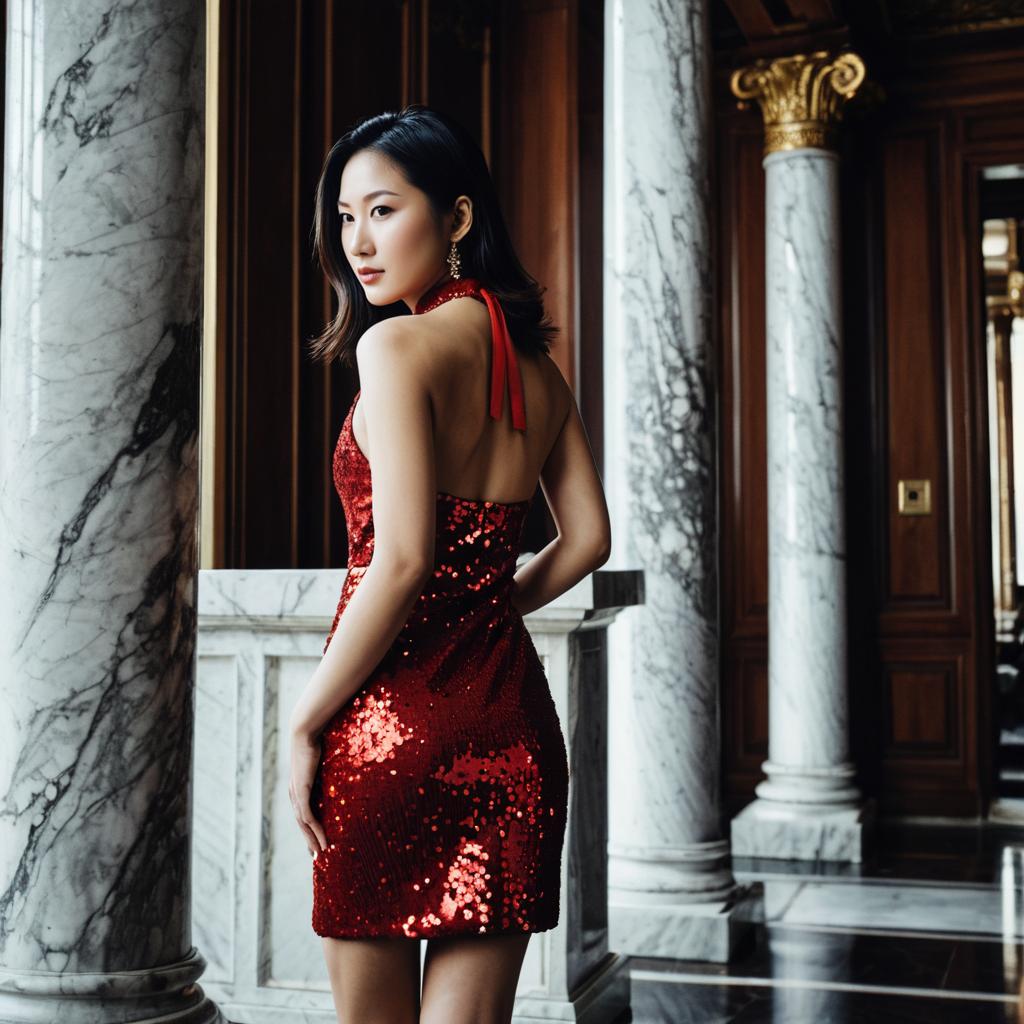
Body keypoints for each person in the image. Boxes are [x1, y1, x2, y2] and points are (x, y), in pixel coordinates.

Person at [286, 104, 611, 1024]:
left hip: (390, 727)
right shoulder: (541, 373)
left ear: (459, 218)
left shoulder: (393, 346)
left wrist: (304, 724)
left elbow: (401, 560)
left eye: (383, 211)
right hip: (508, 729)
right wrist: (487, 604)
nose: (358, 242)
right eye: (345, 217)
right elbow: (589, 539)